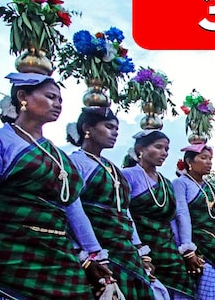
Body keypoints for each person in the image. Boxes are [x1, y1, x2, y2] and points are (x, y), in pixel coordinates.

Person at [0, 72, 111, 300]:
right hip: (7, 260)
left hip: (60, 261)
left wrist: (94, 256)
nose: (58, 104)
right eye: (50, 97)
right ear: (22, 97)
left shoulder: (60, 157)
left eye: (60, 99)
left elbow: (74, 210)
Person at [66, 107, 157, 299]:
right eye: (109, 127)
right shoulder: (75, 162)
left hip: (125, 248)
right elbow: (73, 208)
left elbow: (124, 209)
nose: (115, 132)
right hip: (99, 248)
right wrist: (92, 253)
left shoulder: (111, 167)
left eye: (116, 128)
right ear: (87, 129)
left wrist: (139, 248)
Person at [123, 130, 197, 299]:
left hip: (168, 248)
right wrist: (139, 248)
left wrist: (182, 248)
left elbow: (173, 219)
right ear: (141, 149)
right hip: (141, 246)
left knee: (182, 287)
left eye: (166, 149)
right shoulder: (128, 175)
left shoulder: (166, 183)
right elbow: (125, 213)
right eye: (159, 147)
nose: (164, 153)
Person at [172, 142, 215, 300]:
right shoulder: (180, 183)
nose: (209, 162)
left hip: (214, 245)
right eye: (203, 158)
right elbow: (182, 215)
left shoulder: (213, 188)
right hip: (196, 243)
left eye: (210, 158)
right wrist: (188, 249)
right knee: (209, 287)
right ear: (189, 162)